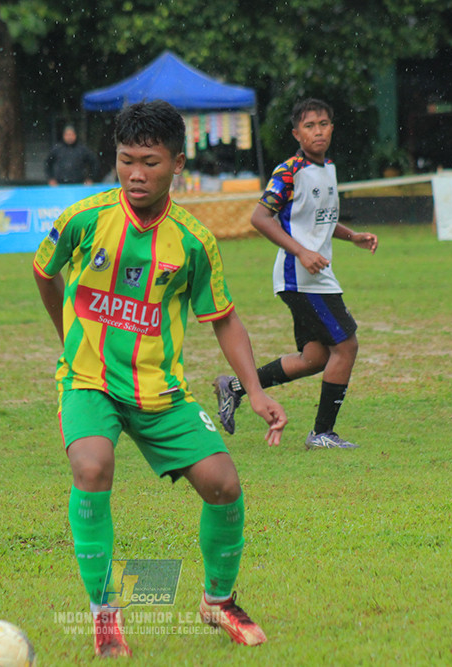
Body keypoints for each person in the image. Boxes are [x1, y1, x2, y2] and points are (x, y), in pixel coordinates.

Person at [33, 100, 287, 658]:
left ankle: (217, 603)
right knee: (92, 465)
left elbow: (223, 318)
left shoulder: (194, 241)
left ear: (177, 163)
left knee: (224, 483)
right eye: (126, 161)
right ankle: (104, 615)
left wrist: (259, 390)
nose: (136, 174)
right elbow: (43, 270)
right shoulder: (85, 218)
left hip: (160, 391)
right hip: (87, 379)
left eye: (149, 162)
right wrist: (67, 336)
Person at [212, 98, 378, 450]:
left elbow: (320, 220)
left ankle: (235, 387)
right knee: (346, 346)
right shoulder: (288, 171)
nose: (317, 131)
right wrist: (301, 251)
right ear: (296, 133)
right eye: (309, 126)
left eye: (323, 124)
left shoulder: (329, 167)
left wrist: (353, 237)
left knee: (315, 358)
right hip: (300, 276)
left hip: (315, 274)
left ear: (332, 127)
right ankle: (321, 434)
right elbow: (260, 218)